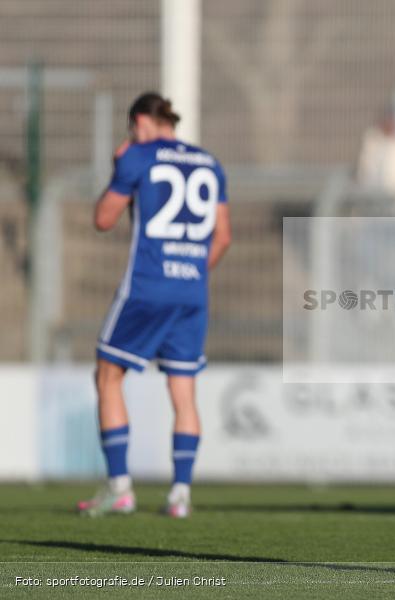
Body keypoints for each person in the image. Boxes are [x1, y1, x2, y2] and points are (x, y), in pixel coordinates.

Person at [77, 92, 231, 518]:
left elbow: (103, 219)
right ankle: (180, 494)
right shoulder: (210, 163)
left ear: (141, 122)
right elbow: (223, 237)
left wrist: (118, 168)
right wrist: (192, 273)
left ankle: (120, 488)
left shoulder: (138, 156)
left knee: (108, 375)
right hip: (193, 290)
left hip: (147, 286)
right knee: (183, 390)